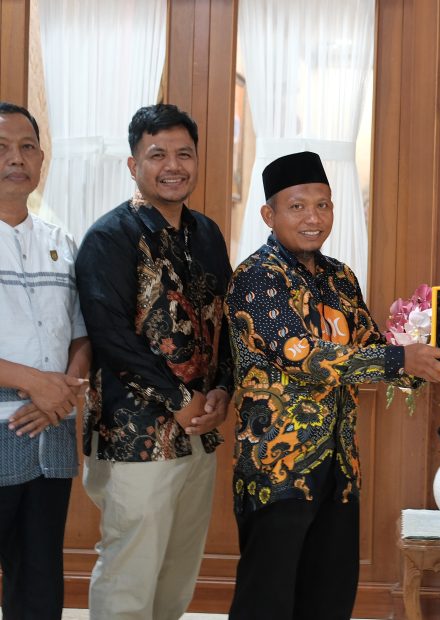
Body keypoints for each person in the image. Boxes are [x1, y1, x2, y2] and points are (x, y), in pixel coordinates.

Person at [225, 151, 440, 619]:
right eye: (297, 207)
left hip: (340, 470)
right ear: (269, 215)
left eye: (323, 205)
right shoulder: (256, 277)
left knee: (330, 600)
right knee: (266, 603)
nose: (313, 218)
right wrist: (401, 358)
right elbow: (302, 355)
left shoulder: (340, 277)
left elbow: (372, 348)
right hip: (277, 469)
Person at [75, 103, 232, 620]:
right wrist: (179, 400)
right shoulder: (109, 237)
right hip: (134, 436)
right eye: (157, 154)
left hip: (198, 430)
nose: (173, 166)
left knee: (177, 572)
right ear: (133, 164)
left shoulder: (206, 234)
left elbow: (224, 322)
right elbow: (111, 338)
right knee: (130, 573)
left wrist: (222, 390)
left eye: (184, 154)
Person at [0, 102, 90, 620]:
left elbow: (80, 333)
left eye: (27, 147)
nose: (17, 158)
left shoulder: (61, 242)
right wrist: (34, 382)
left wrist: (63, 390)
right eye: (2, 148)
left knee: (39, 581)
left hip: (50, 435)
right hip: (6, 422)